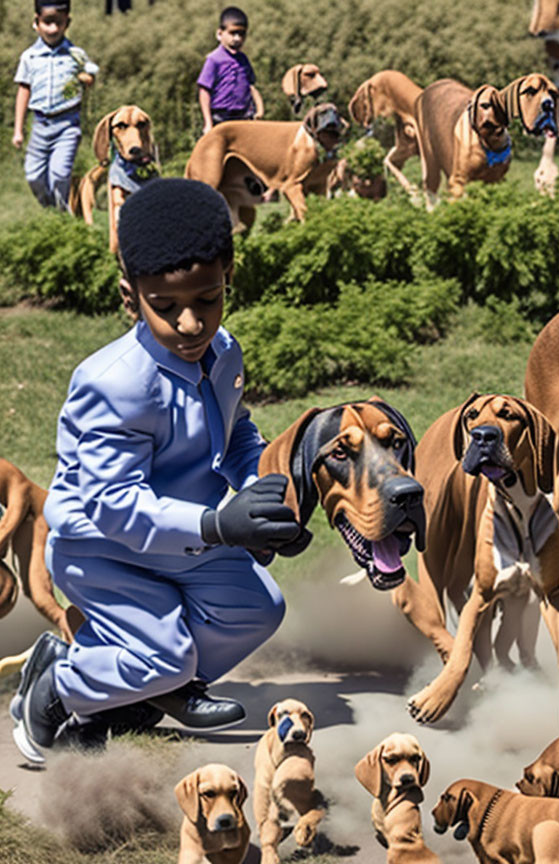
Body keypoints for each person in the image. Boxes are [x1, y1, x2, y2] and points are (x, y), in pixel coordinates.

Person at [12, 178, 310, 764]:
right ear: (131, 297)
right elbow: (115, 505)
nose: (192, 323)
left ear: (228, 277)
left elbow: (239, 431)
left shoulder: (223, 351)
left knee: (259, 609)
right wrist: (222, 525)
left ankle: (137, 691)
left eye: (208, 299)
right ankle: (61, 681)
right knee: (166, 654)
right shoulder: (113, 384)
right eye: (166, 307)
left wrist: (264, 492)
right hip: (101, 550)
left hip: (193, 535)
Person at [13, 1, 99, 210]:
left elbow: (90, 75)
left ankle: (62, 215)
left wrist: (87, 78)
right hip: (40, 125)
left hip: (67, 124)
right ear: (36, 23)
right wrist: (18, 130)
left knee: (59, 174)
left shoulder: (75, 54)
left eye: (58, 23)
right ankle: (49, 209)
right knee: (34, 175)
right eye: (47, 23)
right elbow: (24, 91)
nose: (52, 29)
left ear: (67, 23)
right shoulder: (29, 57)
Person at [197, 5, 264, 134]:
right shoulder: (213, 60)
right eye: (232, 33)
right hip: (220, 117)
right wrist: (208, 122)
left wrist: (260, 109)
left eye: (242, 34)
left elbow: (251, 86)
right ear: (220, 34)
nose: (237, 39)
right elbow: (204, 91)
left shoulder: (243, 59)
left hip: (243, 116)